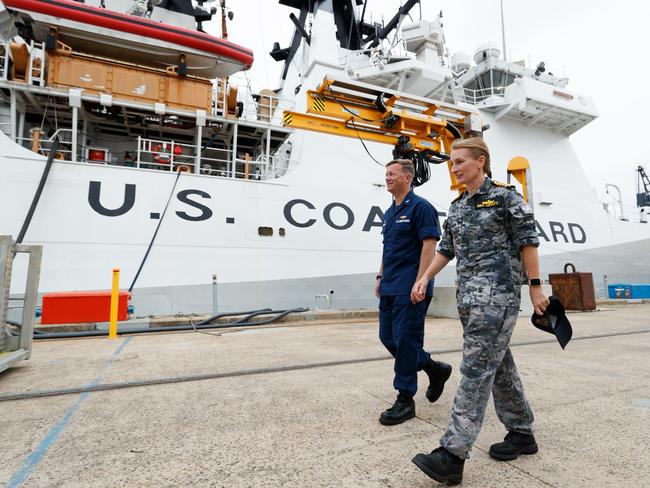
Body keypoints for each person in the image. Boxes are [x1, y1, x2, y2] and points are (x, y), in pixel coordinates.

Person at [409, 138, 549, 485]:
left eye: (459, 161)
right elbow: (446, 250)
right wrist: (425, 277)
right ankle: (521, 432)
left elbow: (527, 241)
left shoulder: (505, 197)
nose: (453, 167)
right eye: (451, 163)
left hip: (497, 298)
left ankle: (452, 454)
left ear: (481, 162)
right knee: (498, 367)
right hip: (470, 301)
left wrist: (535, 287)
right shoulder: (457, 207)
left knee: (474, 371)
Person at [375, 159, 453, 426]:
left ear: (407, 178)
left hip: (411, 287)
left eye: (392, 174)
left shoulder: (421, 208)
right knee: (388, 338)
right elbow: (388, 248)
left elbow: (429, 246)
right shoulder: (389, 212)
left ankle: (405, 398)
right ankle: (434, 368)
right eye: (386, 174)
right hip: (390, 285)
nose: (387, 178)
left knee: (406, 341)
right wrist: (380, 276)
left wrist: (421, 280)